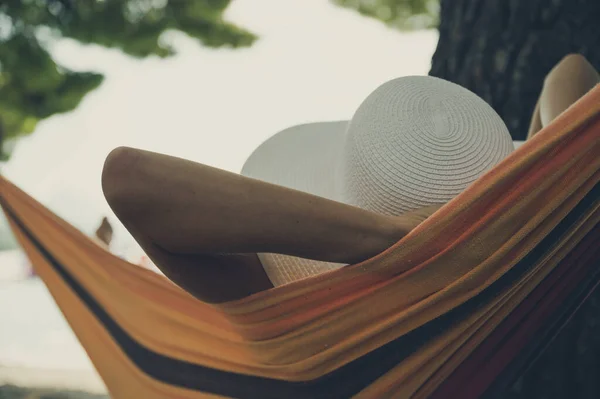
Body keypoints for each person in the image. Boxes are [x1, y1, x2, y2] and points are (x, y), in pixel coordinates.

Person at [101, 54, 599, 303]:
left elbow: (128, 178)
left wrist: (402, 238)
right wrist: (404, 237)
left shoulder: (271, 293)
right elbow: (572, 72)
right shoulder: (525, 243)